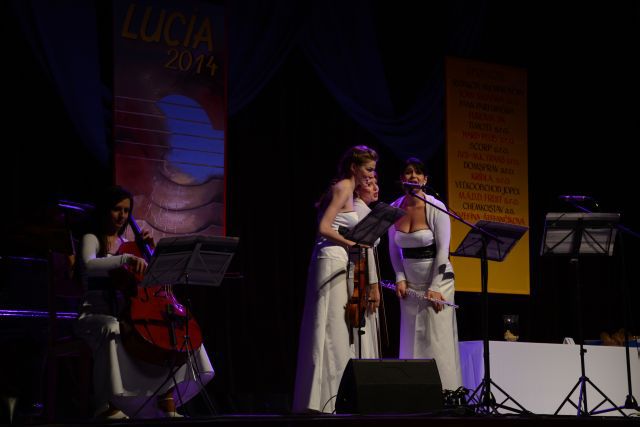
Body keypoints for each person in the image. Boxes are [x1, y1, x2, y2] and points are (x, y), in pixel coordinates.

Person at [73, 185, 214, 419]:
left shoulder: (128, 242)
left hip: (126, 313)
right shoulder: (93, 238)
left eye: (126, 211)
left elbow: (148, 281)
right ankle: (107, 404)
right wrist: (125, 258)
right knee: (113, 329)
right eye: (117, 209)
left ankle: (164, 398)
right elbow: (88, 264)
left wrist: (149, 251)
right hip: (93, 314)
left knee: (175, 331)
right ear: (105, 210)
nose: (122, 216)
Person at [293, 145, 378, 414]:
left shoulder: (349, 191)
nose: (371, 175)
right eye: (368, 169)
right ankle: (320, 401)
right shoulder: (343, 187)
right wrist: (352, 243)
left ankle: (330, 398)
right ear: (354, 167)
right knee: (329, 328)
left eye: (373, 170)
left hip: (339, 258)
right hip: (329, 258)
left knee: (337, 329)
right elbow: (323, 227)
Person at [387, 158, 462, 391]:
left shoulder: (436, 207)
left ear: (425, 179)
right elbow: (393, 249)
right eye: (408, 172)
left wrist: (436, 286)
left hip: (438, 281)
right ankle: (414, 392)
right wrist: (400, 277)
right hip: (411, 285)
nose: (413, 176)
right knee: (412, 339)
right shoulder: (393, 208)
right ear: (402, 179)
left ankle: (445, 392)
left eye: (418, 173)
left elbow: (443, 250)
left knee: (436, 339)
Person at [351, 174, 381, 358]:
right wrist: (374, 285)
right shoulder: (361, 210)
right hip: (362, 277)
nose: (375, 188)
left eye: (376, 183)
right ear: (357, 189)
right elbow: (366, 250)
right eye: (370, 184)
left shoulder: (362, 208)